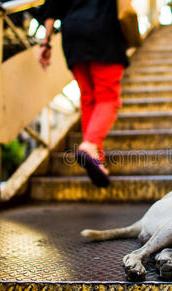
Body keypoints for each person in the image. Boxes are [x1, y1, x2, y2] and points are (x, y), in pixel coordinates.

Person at [38, 0, 129, 188]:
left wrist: (45, 43)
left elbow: (51, 8)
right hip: (104, 32)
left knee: (88, 98)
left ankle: (97, 161)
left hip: (72, 35)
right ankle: (90, 144)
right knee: (108, 97)